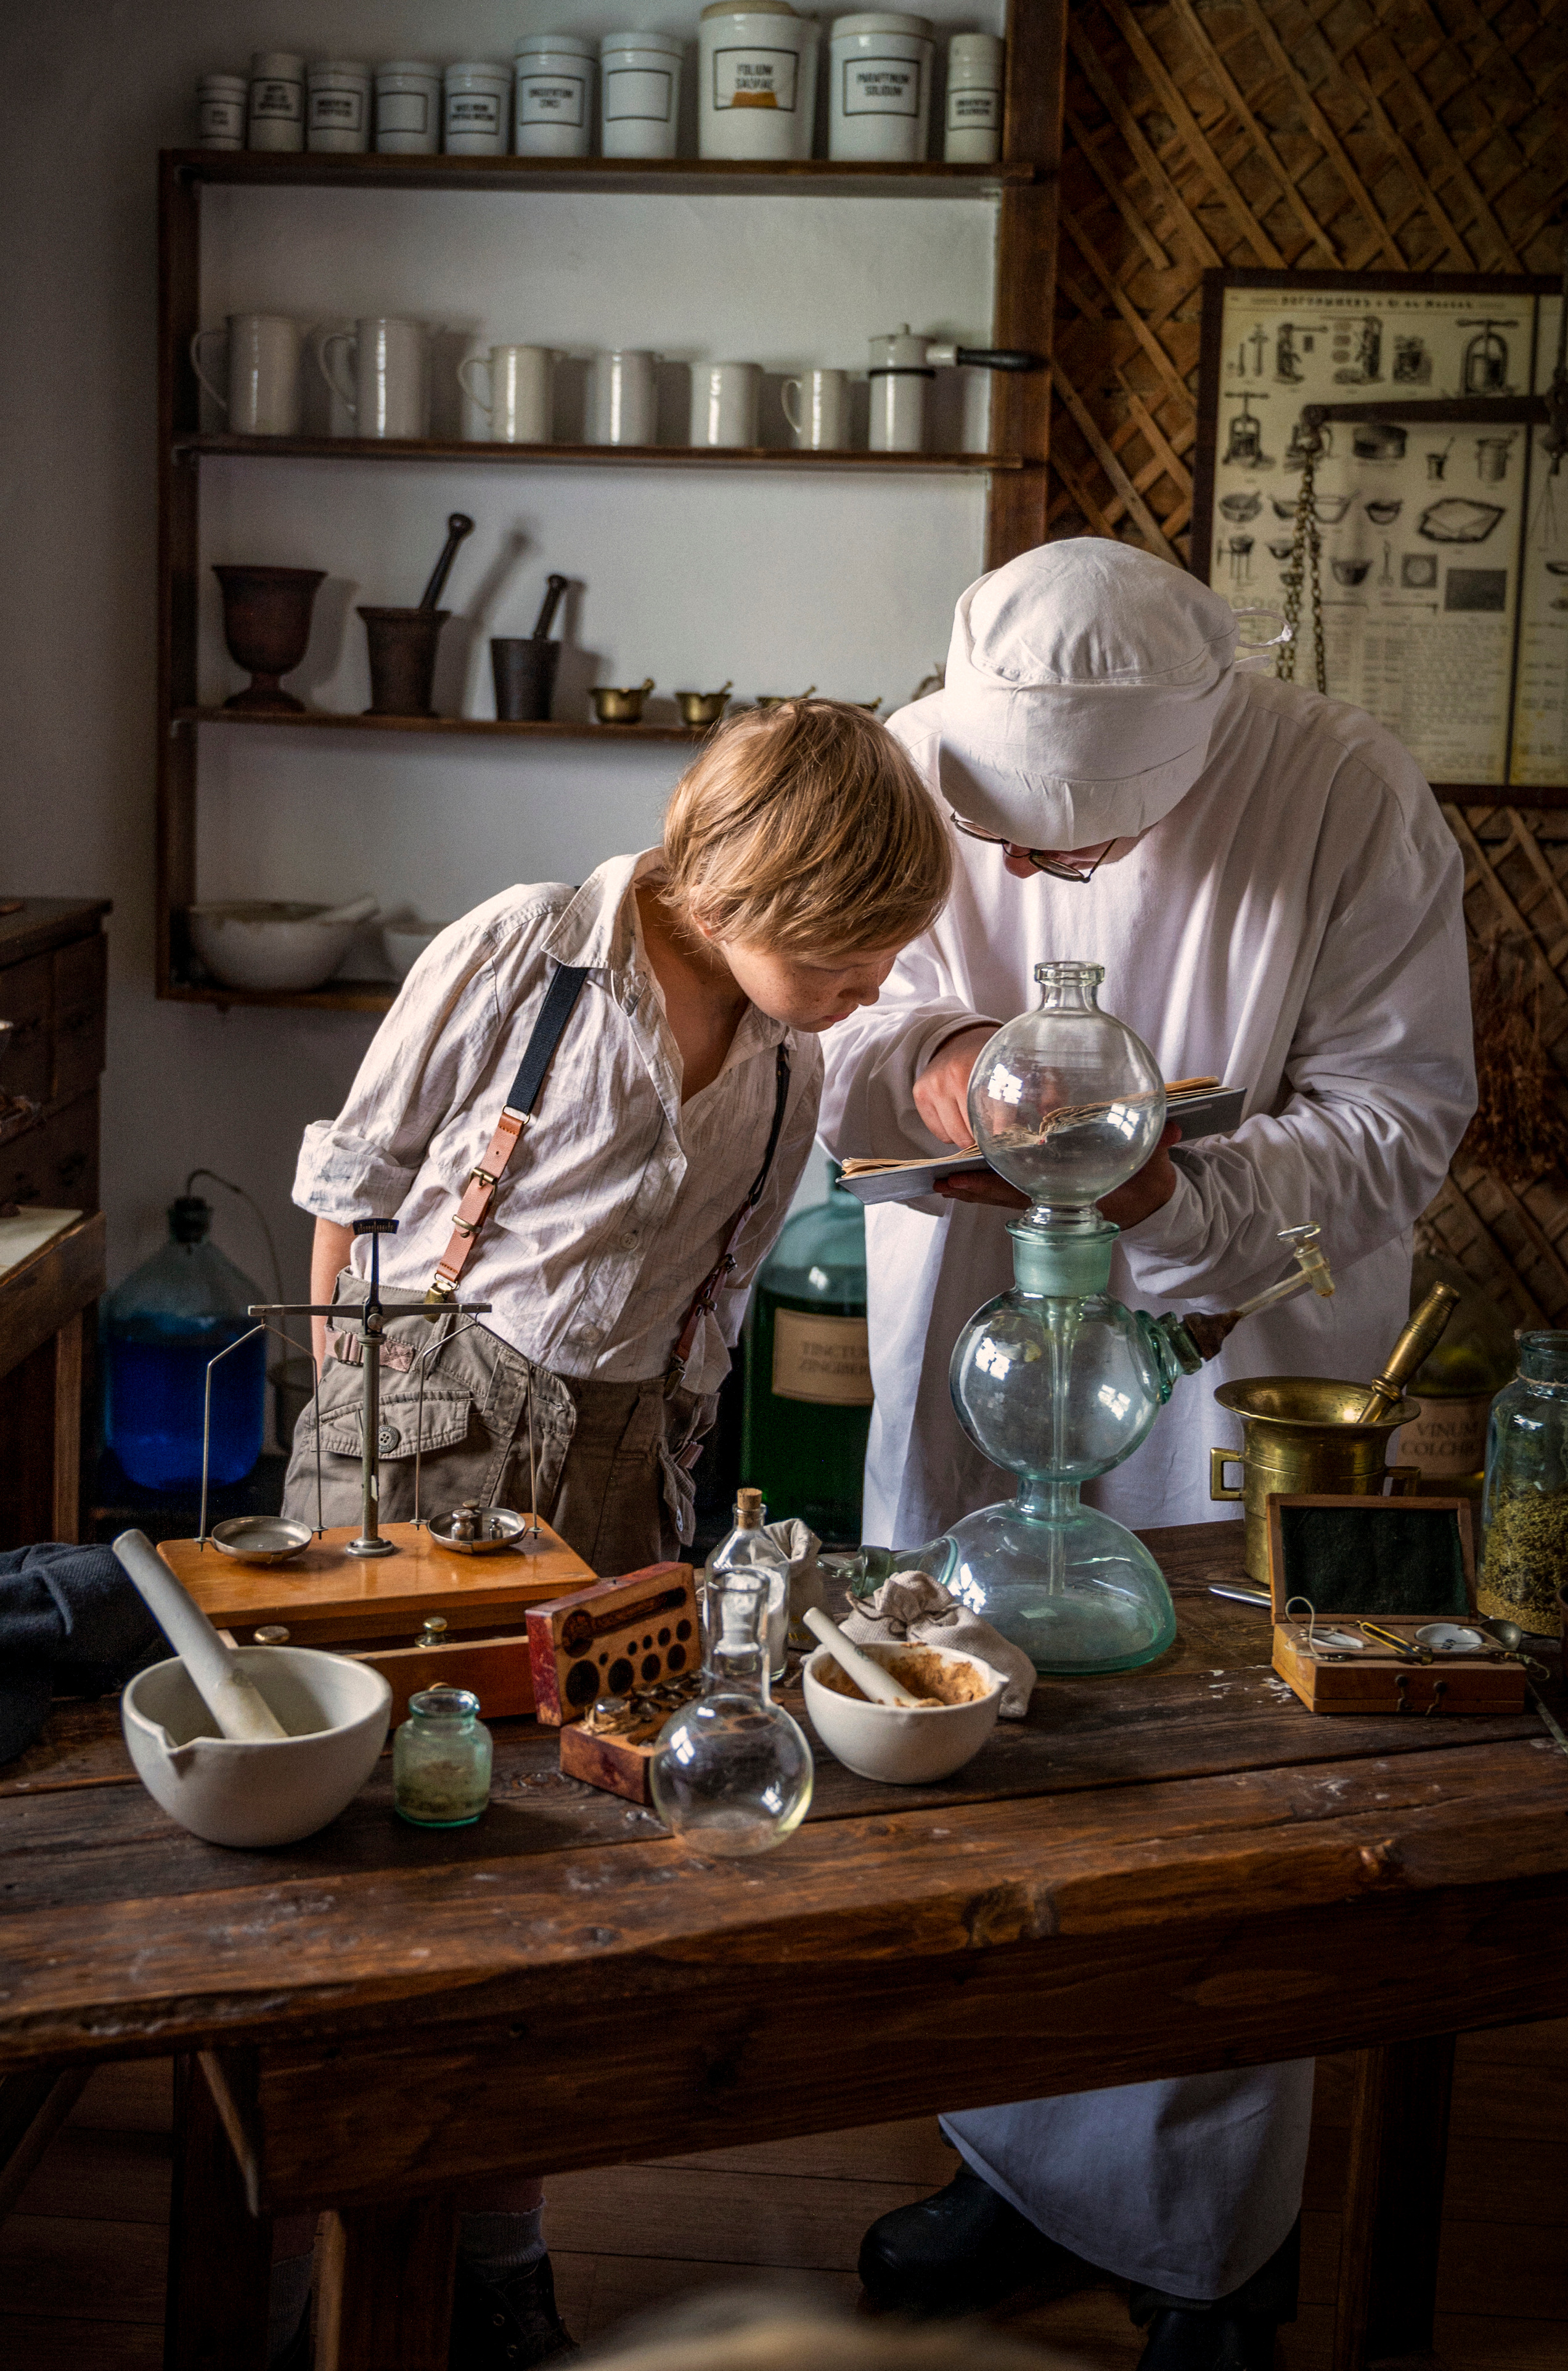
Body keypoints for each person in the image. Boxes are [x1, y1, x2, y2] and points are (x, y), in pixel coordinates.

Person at [820, 541, 1475, 2368]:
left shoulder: (1342, 792)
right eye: (1010, 843)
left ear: (1205, 748)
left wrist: (1171, 1180)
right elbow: (842, 1017)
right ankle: (1012, 2164)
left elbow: (1401, 1122)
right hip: (972, 1294)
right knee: (979, 1706)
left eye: (1073, 854)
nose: (1031, 875)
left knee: (1214, 1777)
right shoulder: (903, 764)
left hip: (1238, 1341)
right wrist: (950, 1073)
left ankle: (1213, 2246)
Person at [272, 700, 953, 2371]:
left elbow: (700, 1305)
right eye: (857, 949)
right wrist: (362, 1457)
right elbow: (352, 1196)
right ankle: (320, 2280)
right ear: (742, 889)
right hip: (420, 1441)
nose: (879, 984)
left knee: (547, 1881)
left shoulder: (794, 1052)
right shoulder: (527, 959)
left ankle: (501, 2250)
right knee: (368, 1871)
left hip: (622, 1462)